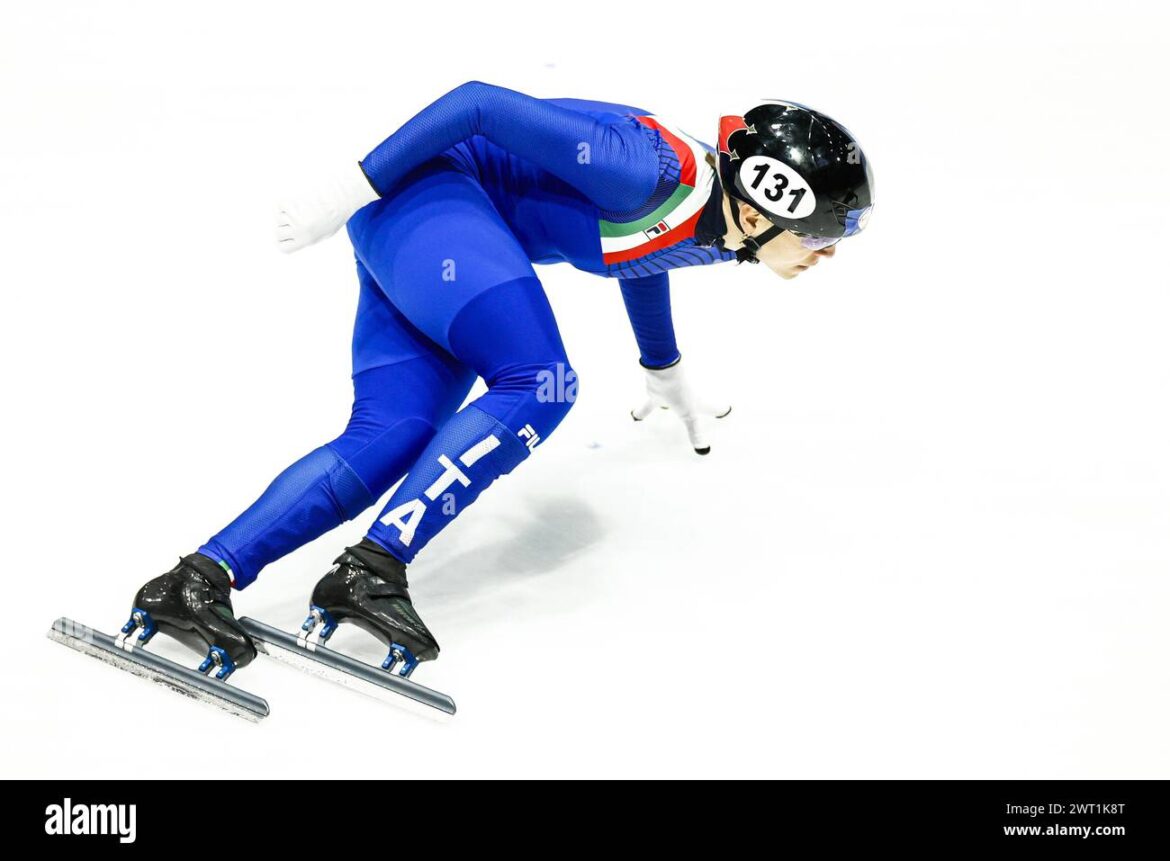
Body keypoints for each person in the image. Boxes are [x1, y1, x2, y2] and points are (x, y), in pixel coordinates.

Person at [127, 82, 875, 680]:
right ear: (763, 202)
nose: (827, 252)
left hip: (441, 232)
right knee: (542, 381)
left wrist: (663, 367)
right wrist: (347, 188)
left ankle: (195, 581)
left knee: (394, 433)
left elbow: (648, 257)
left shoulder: (723, 227)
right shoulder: (641, 167)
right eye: (822, 233)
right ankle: (371, 569)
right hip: (426, 200)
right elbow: (478, 101)